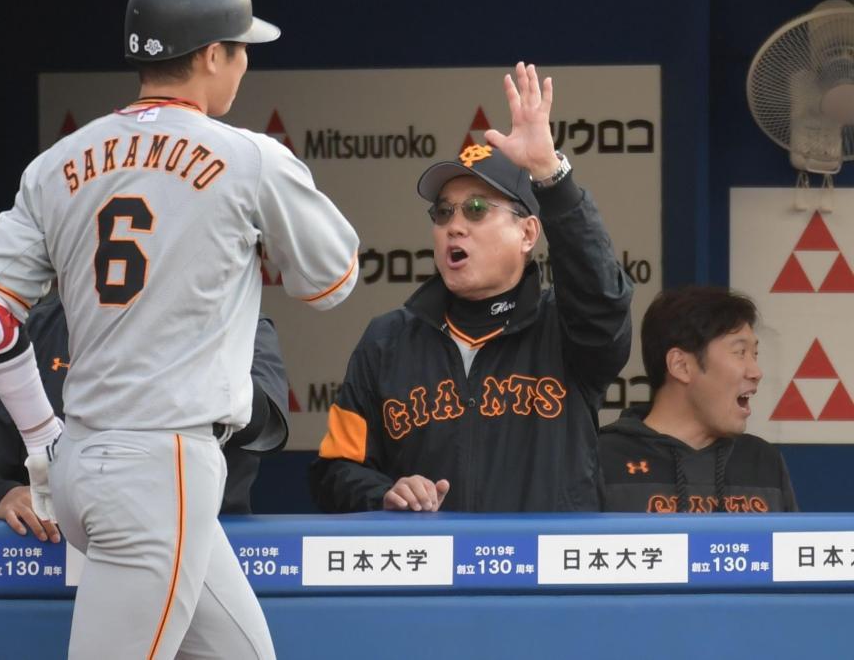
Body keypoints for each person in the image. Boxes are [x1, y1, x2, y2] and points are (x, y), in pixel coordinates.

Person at [0, 0, 358, 660]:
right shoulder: (250, 157)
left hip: (83, 460)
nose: (244, 63)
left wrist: (41, 436)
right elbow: (333, 281)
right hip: (160, 468)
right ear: (211, 54)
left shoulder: (57, 162)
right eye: (240, 49)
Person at [309, 62, 633, 513]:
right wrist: (383, 493)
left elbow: (602, 301)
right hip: (430, 559)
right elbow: (335, 470)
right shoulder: (387, 341)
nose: (454, 226)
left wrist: (548, 173)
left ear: (527, 233)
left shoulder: (565, 330)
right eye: (443, 213)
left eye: (477, 209)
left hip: (543, 559)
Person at [0, 292, 290, 542]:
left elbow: (260, 424)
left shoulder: (234, 322)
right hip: (59, 544)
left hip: (201, 538)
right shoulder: (41, 325)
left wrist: (185, 358)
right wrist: (3, 494)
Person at [599, 286, 799, 513]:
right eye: (740, 352)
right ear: (681, 365)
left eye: (755, 354)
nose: (756, 372)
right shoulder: (603, 458)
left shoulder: (763, 461)